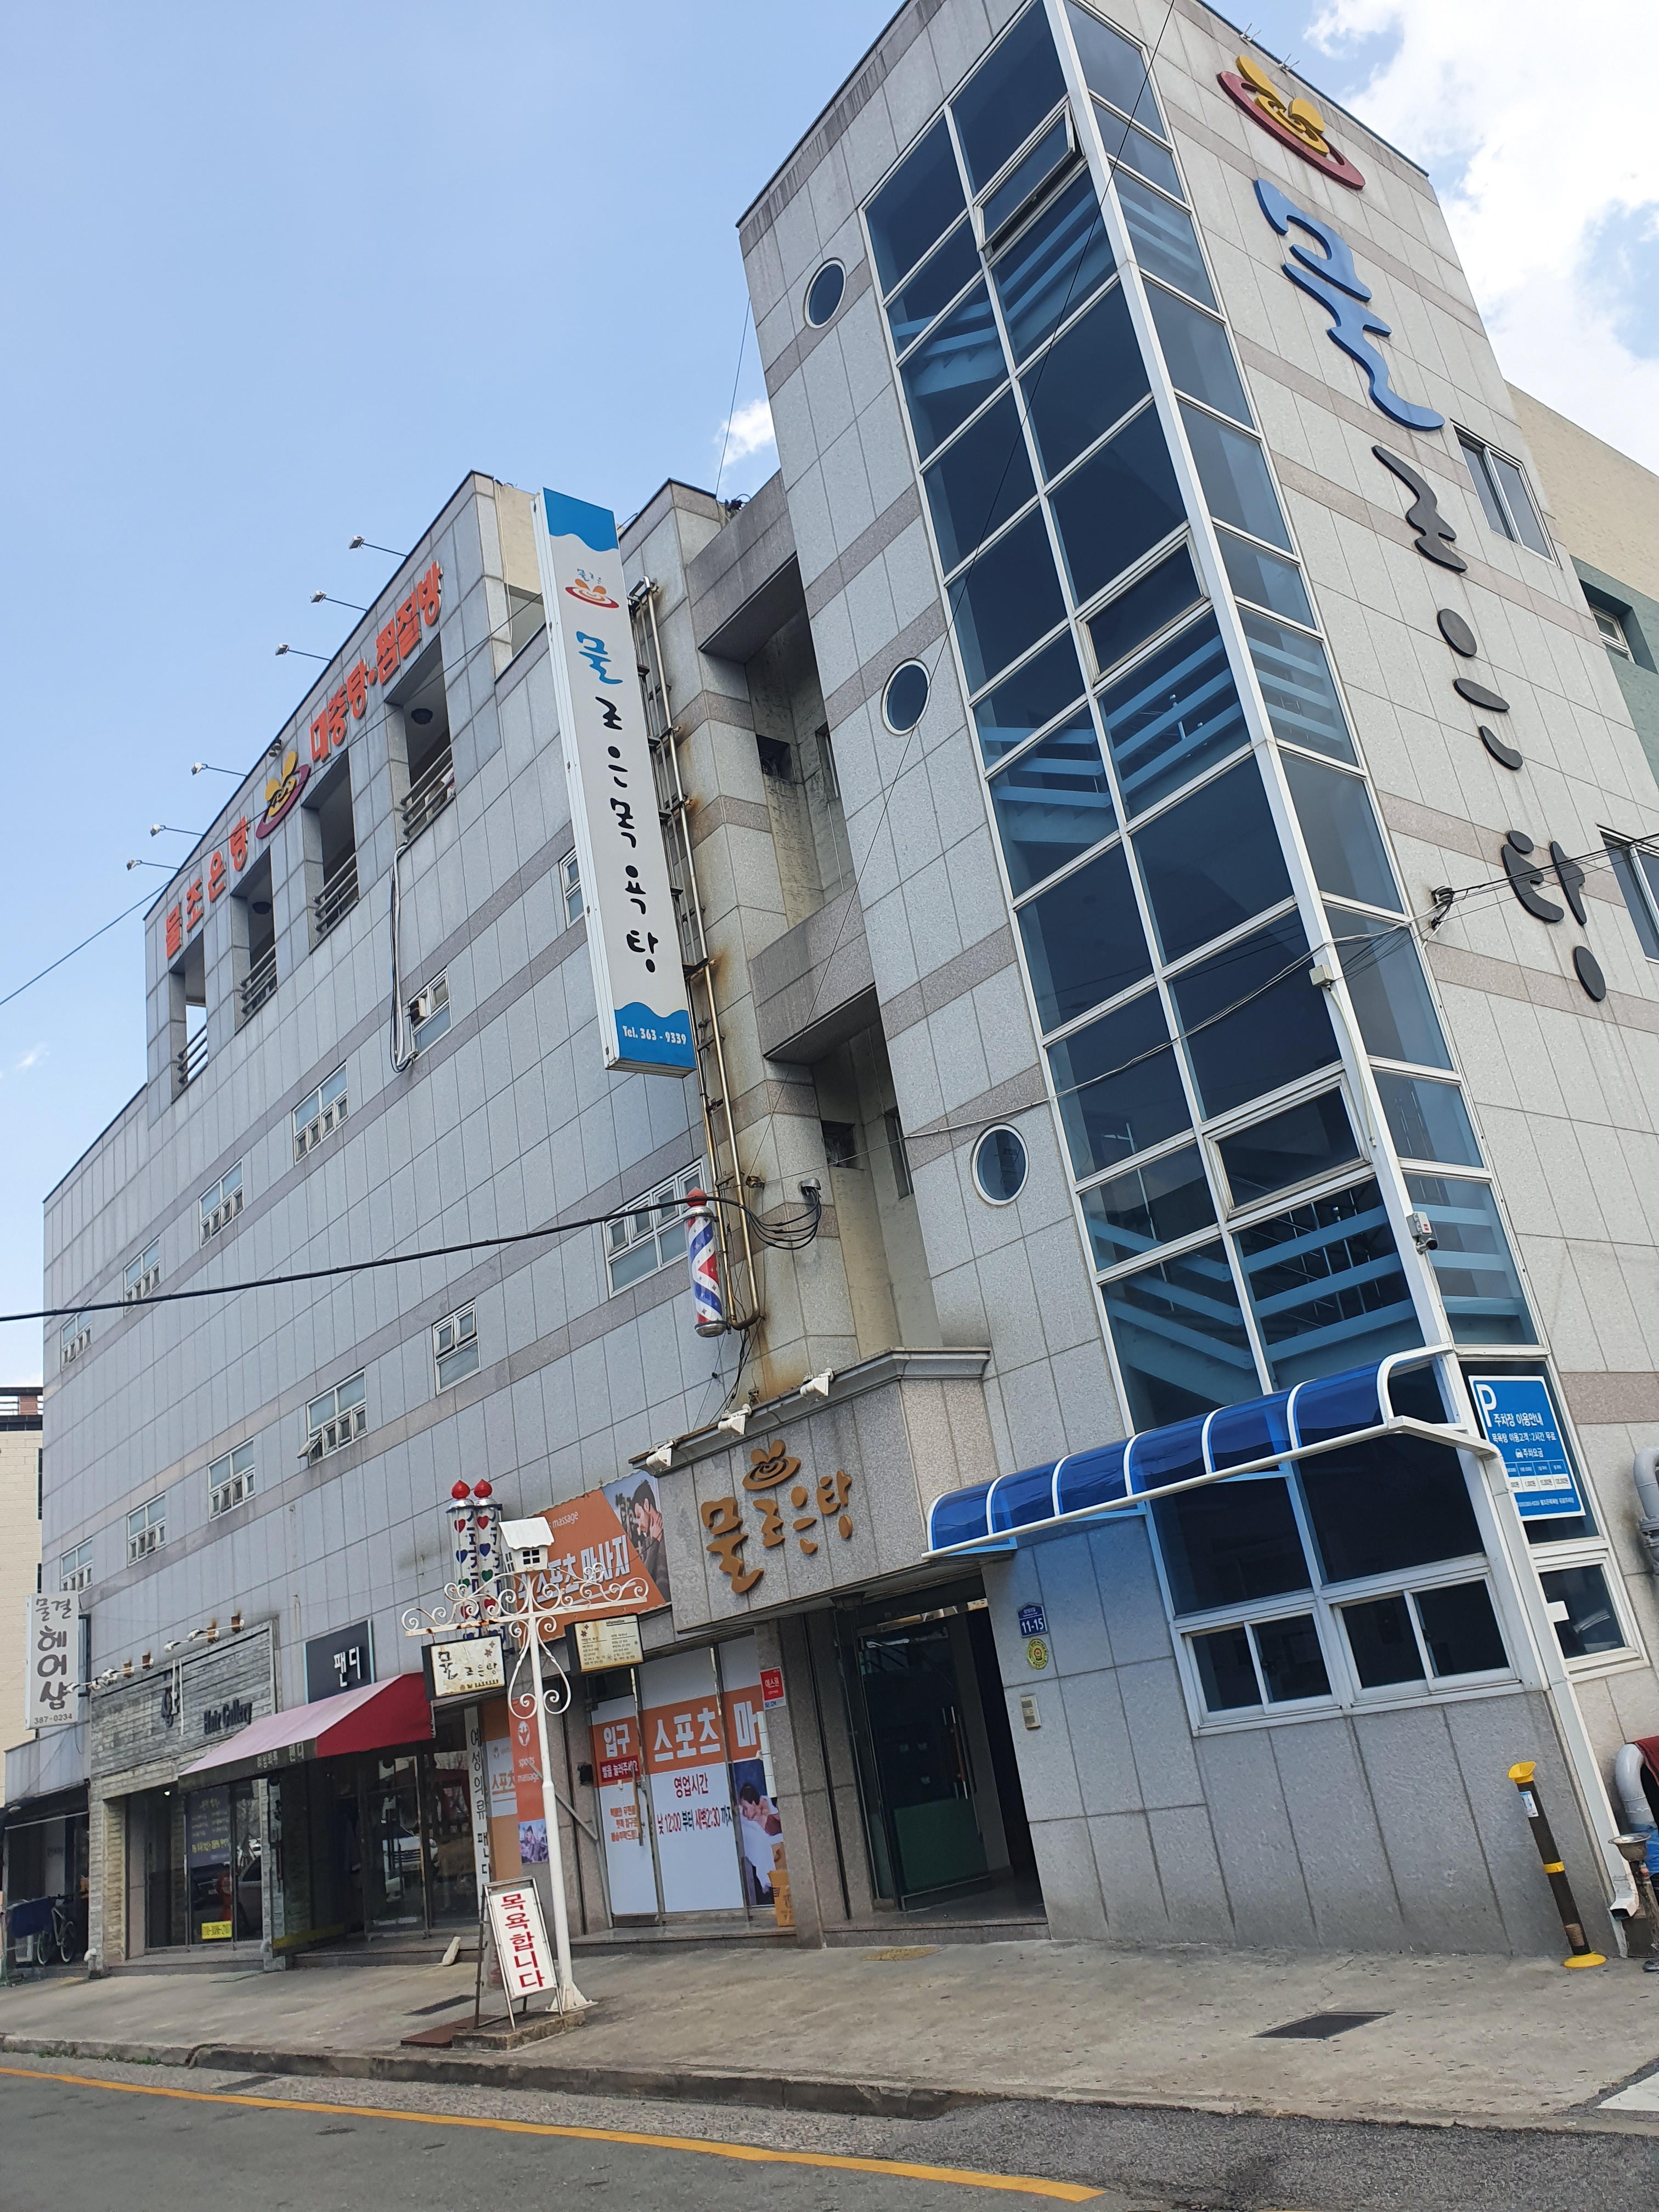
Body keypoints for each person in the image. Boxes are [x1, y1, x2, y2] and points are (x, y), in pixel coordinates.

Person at [736, 1780, 782, 1904]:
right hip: (767, 1883)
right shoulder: (744, 1823)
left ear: (754, 1803)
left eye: (746, 1808)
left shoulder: (774, 1806)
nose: (744, 1813)